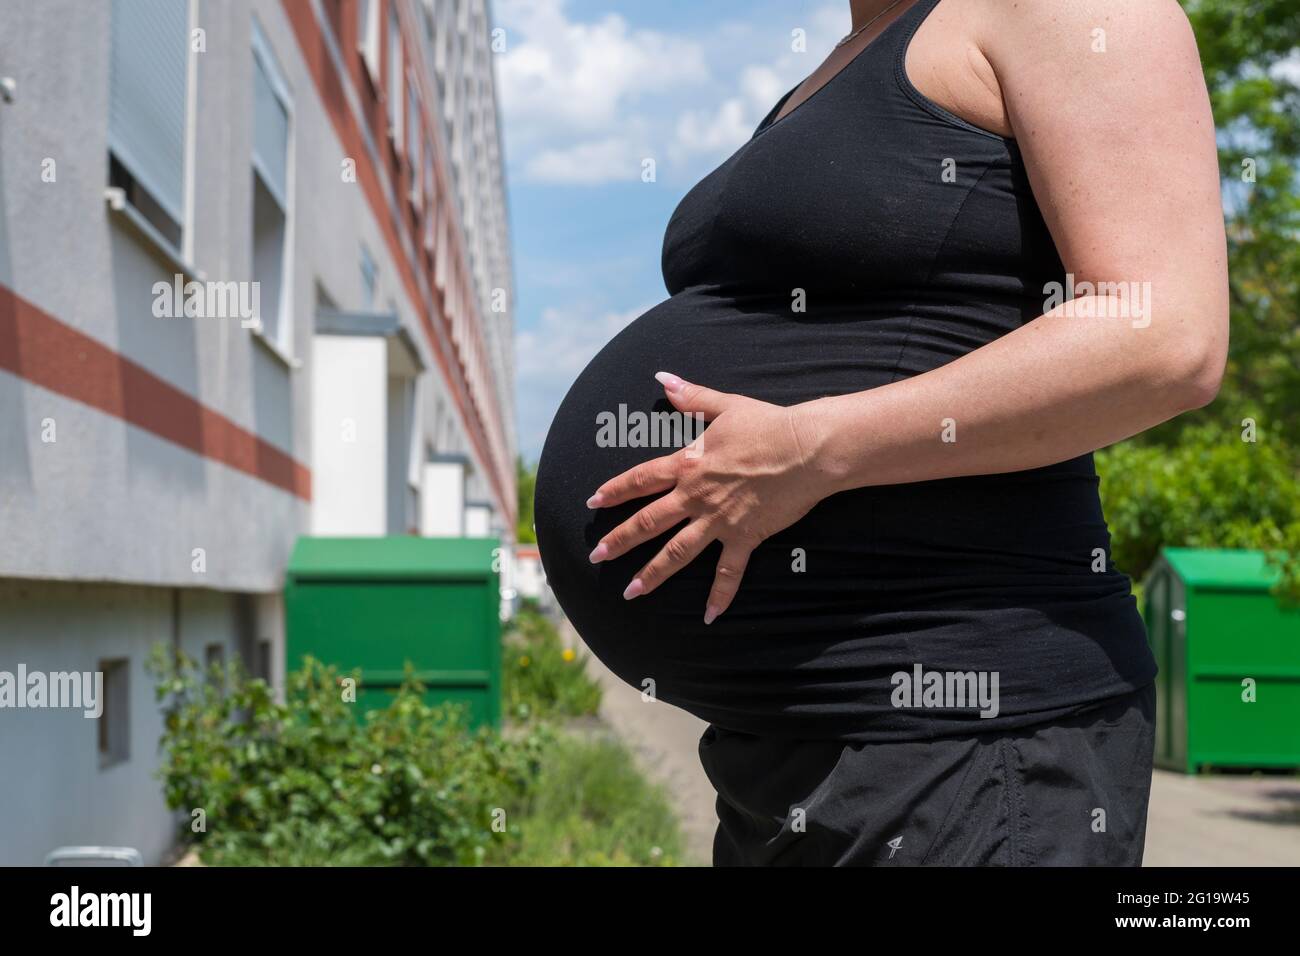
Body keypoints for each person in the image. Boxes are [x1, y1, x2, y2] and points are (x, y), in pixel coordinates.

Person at [534, 0, 1227, 865]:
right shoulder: (843, 58)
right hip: (788, 752)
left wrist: (810, 448)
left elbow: (1166, 337)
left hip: (966, 743)